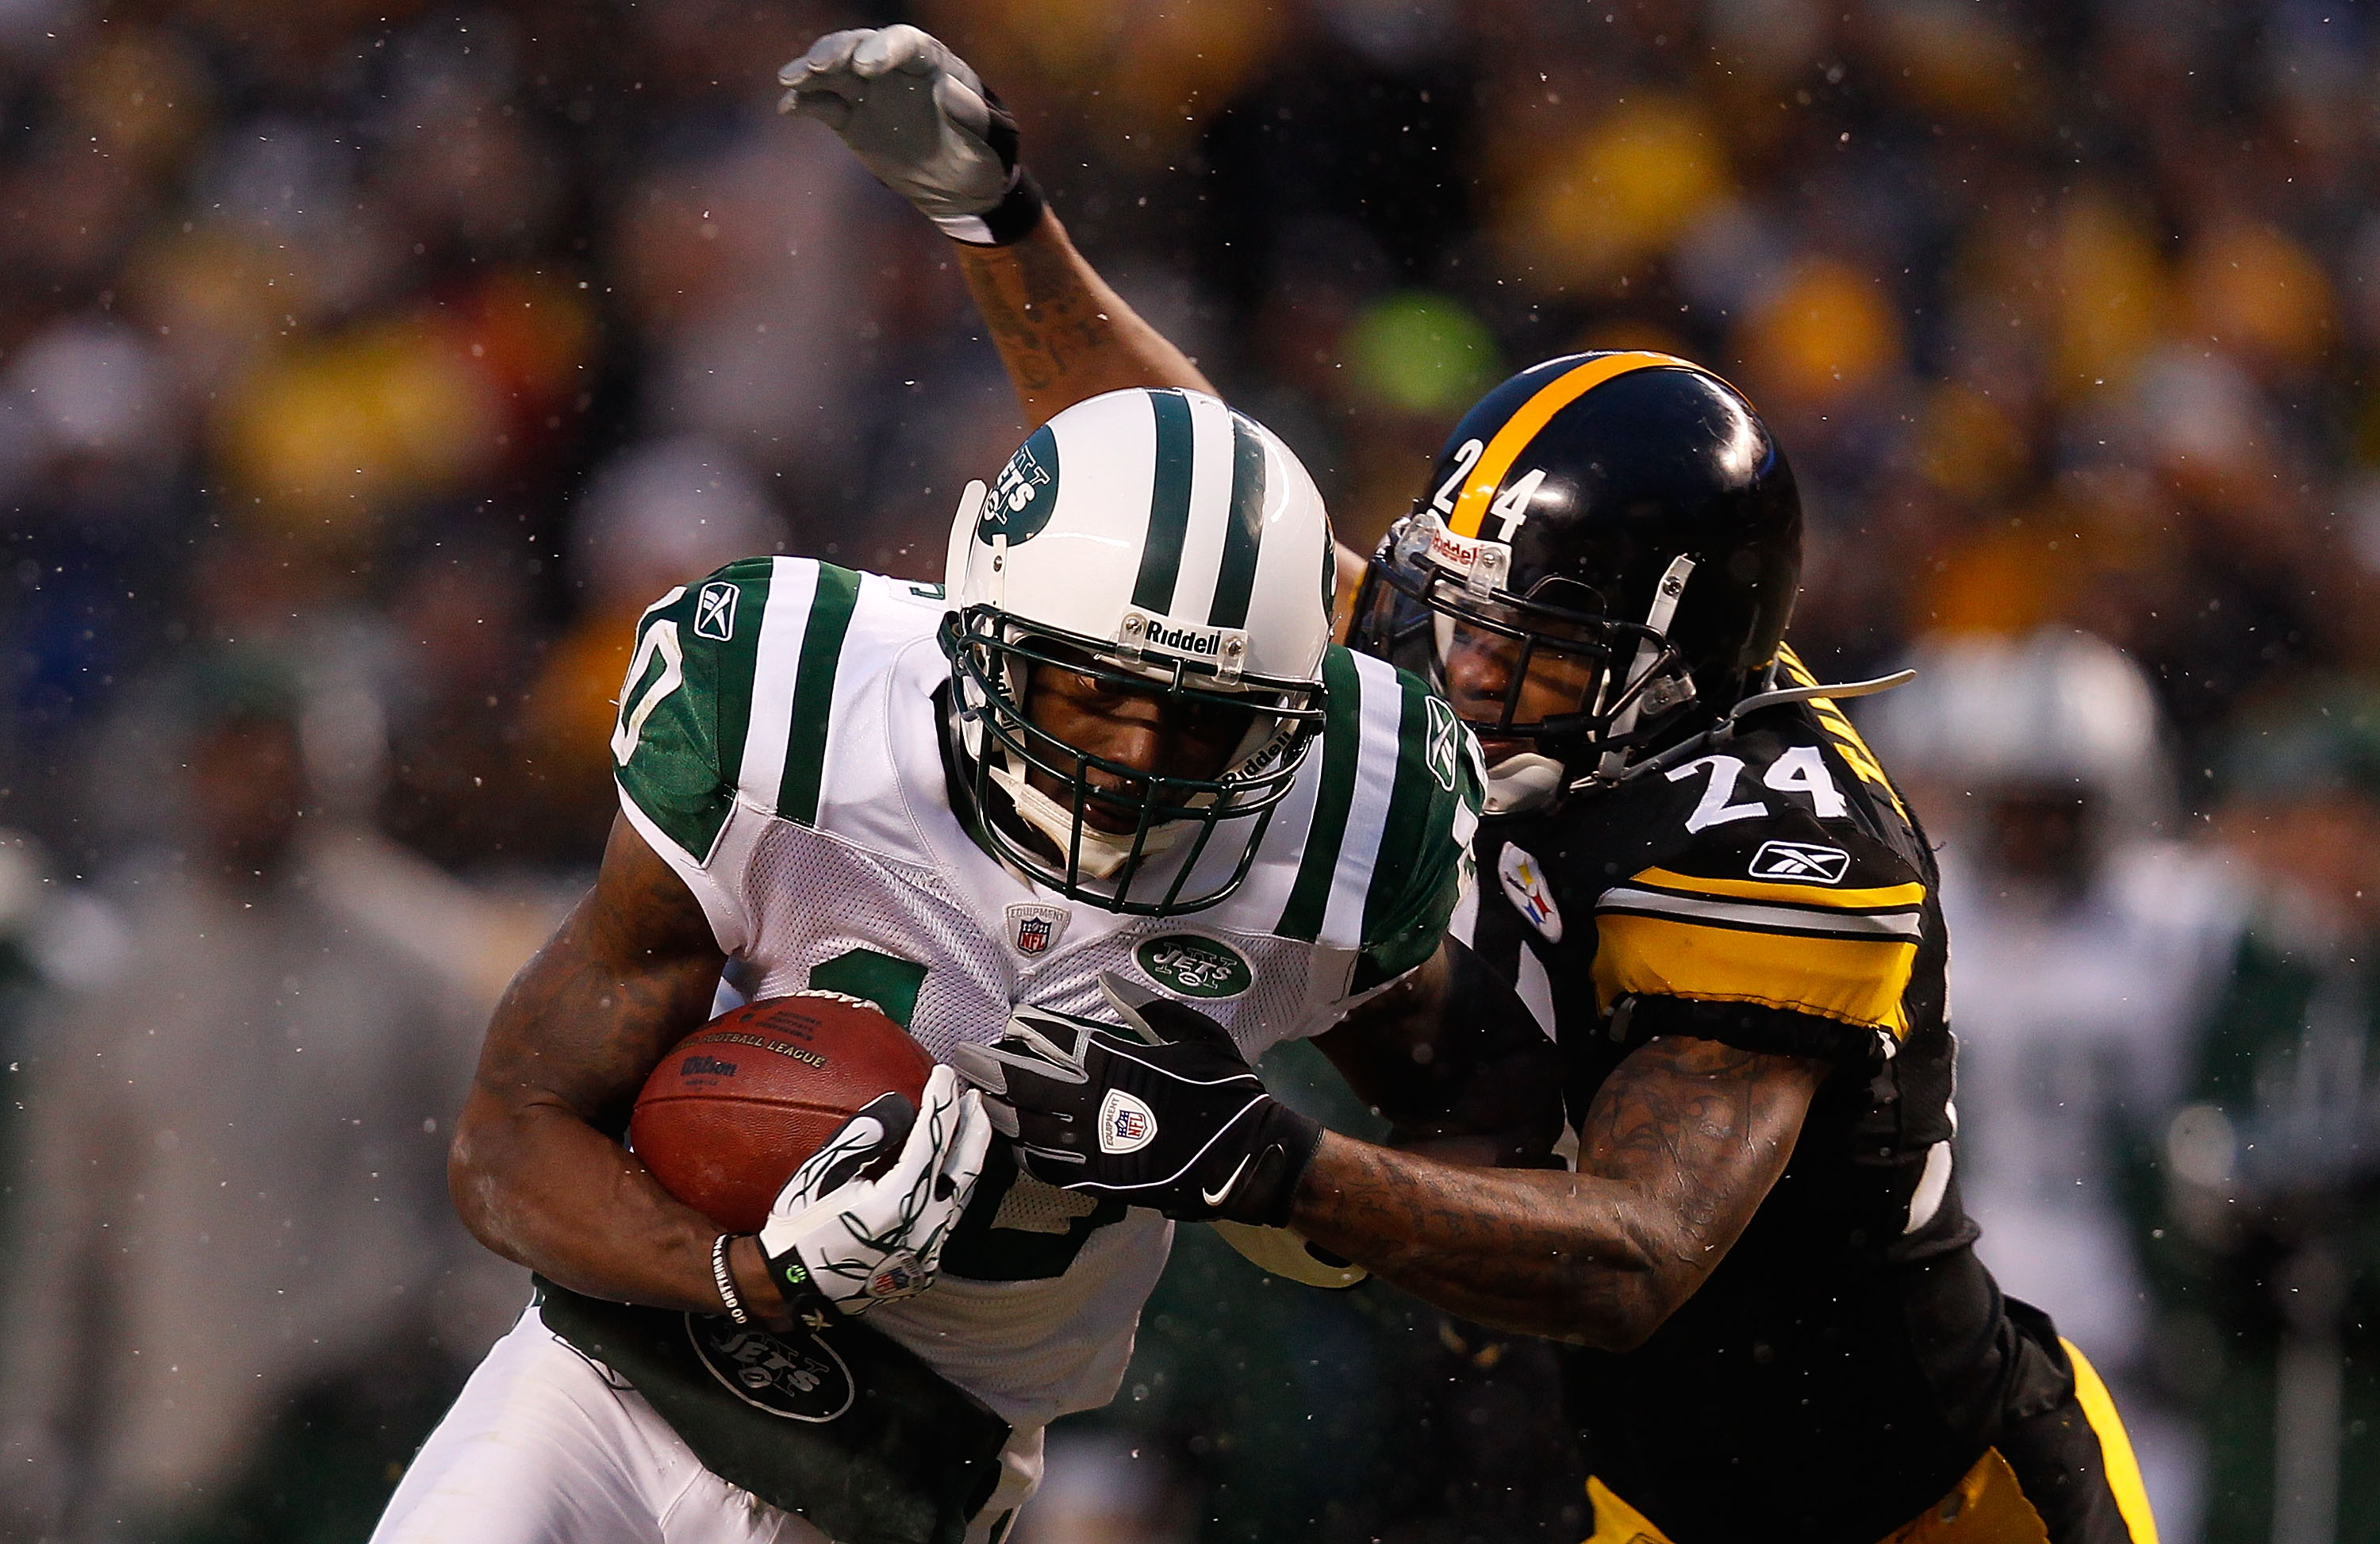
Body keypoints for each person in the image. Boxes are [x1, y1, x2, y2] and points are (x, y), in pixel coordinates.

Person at [779, 26, 2161, 1543]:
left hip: (1926, 1506)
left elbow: (1639, 1248)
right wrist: (1002, 221)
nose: (1466, 674)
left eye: (1535, 648)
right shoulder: (1481, 659)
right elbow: (1191, 492)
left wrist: (1276, 1163)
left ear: (1678, 656)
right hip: (1650, 1486)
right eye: (1460, 615)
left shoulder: (1785, 842)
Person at [369, 382, 1488, 1544]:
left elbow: (1482, 1138)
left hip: (918, 1463)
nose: (1134, 758)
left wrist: (1292, 1180)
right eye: (1093, 690)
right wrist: (753, 1270)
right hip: (619, 1377)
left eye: (1201, 719)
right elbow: (506, 1140)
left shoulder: (1360, 824)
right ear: (984, 619)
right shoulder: (792, 703)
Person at [1862, 628, 2243, 1539]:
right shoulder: (1941, 912)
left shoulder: (2187, 921)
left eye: (2060, 808)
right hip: (1977, 1285)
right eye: (2017, 806)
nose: (2035, 833)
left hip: (2139, 1306)